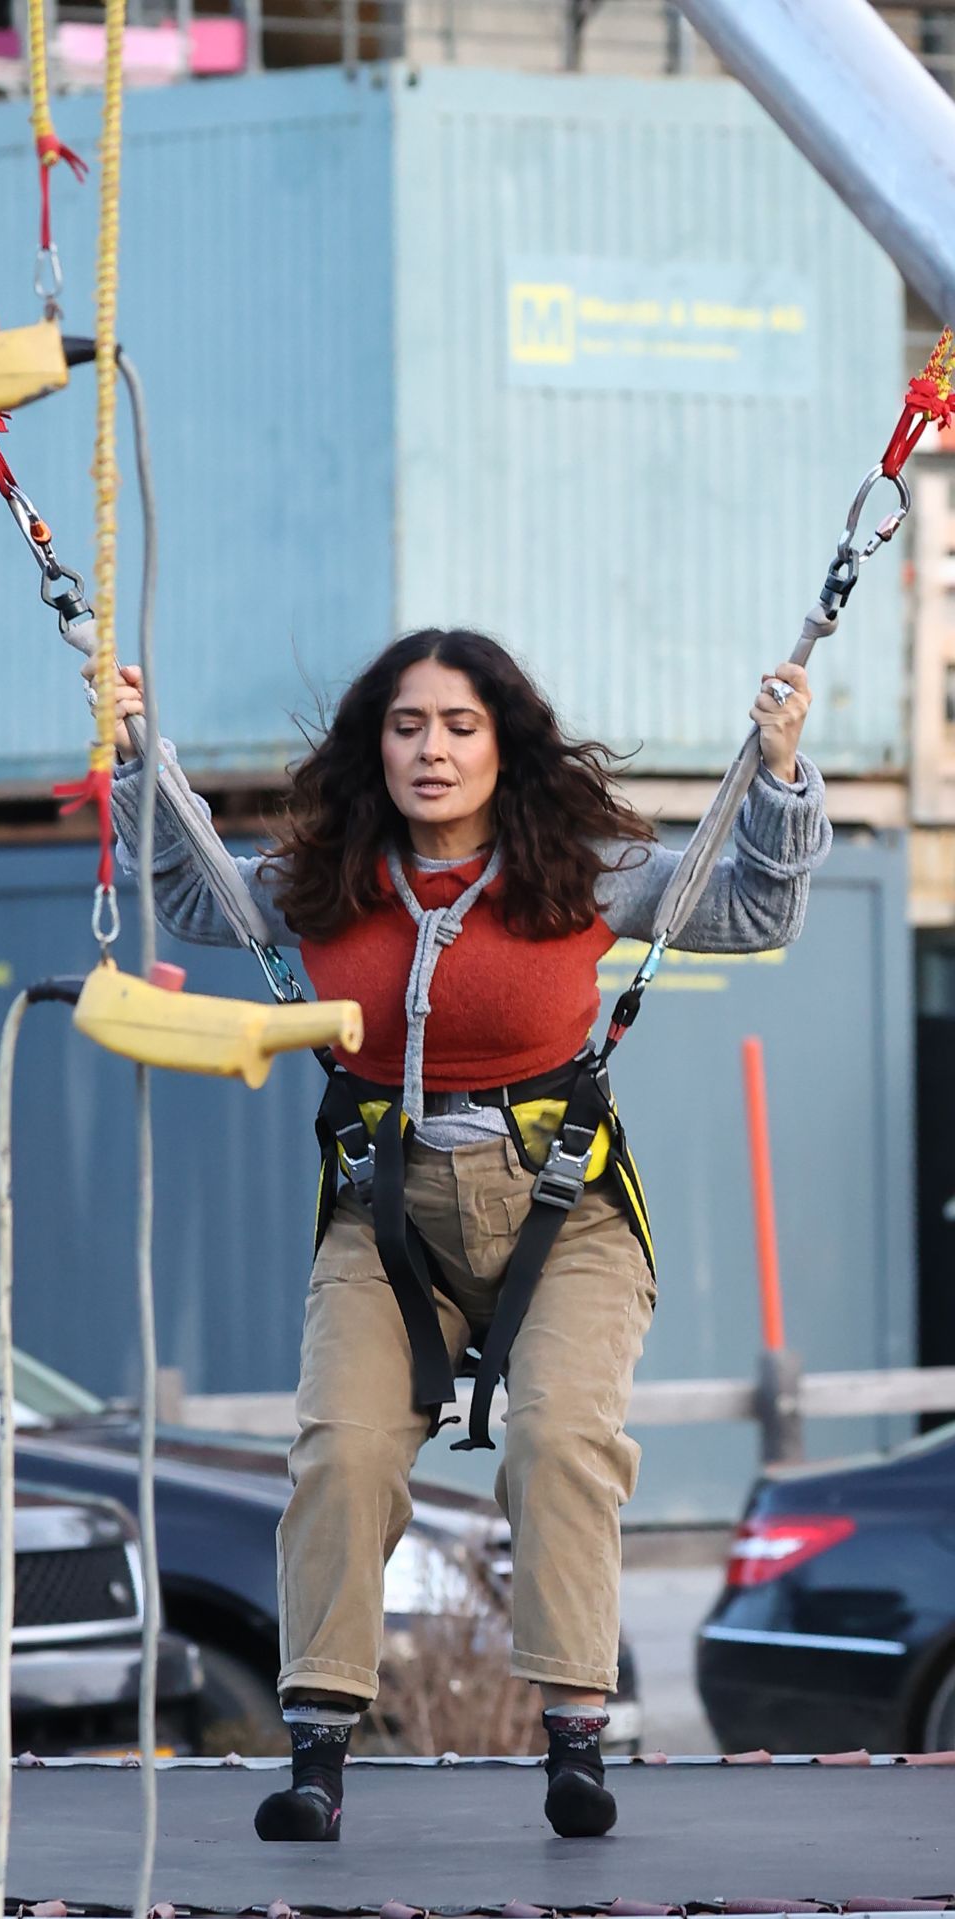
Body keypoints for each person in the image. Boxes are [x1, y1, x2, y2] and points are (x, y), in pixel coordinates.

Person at [100, 628, 829, 1842]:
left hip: (564, 1213)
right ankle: (319, 1749)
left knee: (558, 1437)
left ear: (503, 746)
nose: (429, 749)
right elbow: (190, 894)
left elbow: (752, 908)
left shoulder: (581, 873)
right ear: (371, 746)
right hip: (386, 1221)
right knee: (339, 1448)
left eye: (456, 725)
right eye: (404, 725)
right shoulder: (327, 880)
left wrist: (782, 774)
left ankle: (574, 1736)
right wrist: (138, 758)